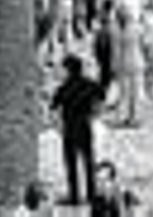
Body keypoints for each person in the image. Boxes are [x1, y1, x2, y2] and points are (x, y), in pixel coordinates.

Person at [51, 54, 104, 206]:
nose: (60, 72)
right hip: (85, 126)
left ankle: (74, 196)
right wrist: (95, 113)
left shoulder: (63, 88)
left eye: (62, 68)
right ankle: (91, 194)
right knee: (88, 161)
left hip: (69, 128)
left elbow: (53, 109)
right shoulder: (89, 84)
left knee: (71, 163)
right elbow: (101, 96)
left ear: (68, 69)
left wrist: (58, 127)